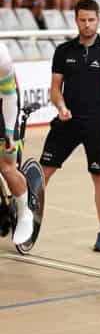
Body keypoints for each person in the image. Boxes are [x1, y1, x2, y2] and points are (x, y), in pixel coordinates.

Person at [39, 0, 100, 252]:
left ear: (99, 19)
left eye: (91, 20)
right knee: (42, 172)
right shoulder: (63, 51)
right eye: (82, 20)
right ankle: (28, 219)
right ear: (75, 20)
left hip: (97, 124)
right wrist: (61, 107)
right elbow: (55, 89)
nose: (87, 25)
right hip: (67, 121)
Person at [0, 42, 34, 245]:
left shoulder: (1, 55)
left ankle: (24, 212)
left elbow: (9, 96)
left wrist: (9, 134)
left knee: (6, 164)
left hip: (4, 100)